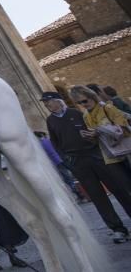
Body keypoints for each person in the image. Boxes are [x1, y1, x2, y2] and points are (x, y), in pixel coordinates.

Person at [42, 90, 131, 243]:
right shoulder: (51, 121)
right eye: (45, 103)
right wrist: (67, 161)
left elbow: (96, 131)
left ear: (58, 100)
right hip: (78, 162)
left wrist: (92, 138)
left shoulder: (77, 113)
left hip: (96, 156)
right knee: (97, 197)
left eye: (49, 101)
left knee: (118, 189)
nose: (47, 104)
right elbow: (55, 143)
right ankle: (117, 229)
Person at [70, 84, 131, 174]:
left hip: (126, 150)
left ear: (91, 96)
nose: (83, 105)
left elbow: (124, 129)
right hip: (111, 157)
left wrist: (101, 130)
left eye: (84, 101)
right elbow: (96, 141)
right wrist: (89, 136)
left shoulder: (107, 108)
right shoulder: (86, 116)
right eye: (79, 103)